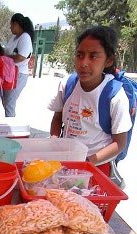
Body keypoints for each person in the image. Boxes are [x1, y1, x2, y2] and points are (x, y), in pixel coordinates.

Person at [49, 26, 132, 176]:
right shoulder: (67, 84)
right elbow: (57, 118)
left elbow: (120, 143)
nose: (84, 63)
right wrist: (54, 142)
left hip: (96, 167)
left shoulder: (114, 95)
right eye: (80, 55)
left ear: (108, 61)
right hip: (66, 161)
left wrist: (89, 161)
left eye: (93, 56)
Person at [3, 13, 34, 117]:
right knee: (6, 101)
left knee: (9, 103)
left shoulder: (25, 37)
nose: (10, 27)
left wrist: (5, 58)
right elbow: (7, 51)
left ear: (16, 24)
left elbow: (21, 57)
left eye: (11, 25)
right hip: (9, 74)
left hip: (19, 74)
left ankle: (10, 128)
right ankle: (11, 122)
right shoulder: (14, 37)